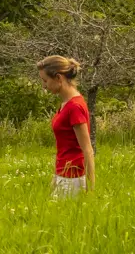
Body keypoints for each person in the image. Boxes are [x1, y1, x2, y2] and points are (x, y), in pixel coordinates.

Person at [38, 55, 95, 197]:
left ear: (58, 78)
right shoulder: (66, 103)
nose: (44, 86)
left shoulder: (75, 106)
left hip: (72, 178)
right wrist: (55, 177)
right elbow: (65, 145)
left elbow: (87, 149)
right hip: (63, 174)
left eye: (45, 81)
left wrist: (91, 188)